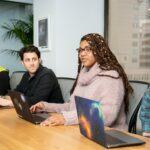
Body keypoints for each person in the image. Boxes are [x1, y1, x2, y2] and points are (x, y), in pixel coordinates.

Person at [30, 33, 133, 130]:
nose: (82, 54)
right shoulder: (84, 75)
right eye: (80, 50)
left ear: (99, 51)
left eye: (88, 49)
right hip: (84, 130)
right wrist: (45, 106)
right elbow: (71, 107)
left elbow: (107, 115)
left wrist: (66, 118)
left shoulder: (111, 76)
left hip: (109, 134)